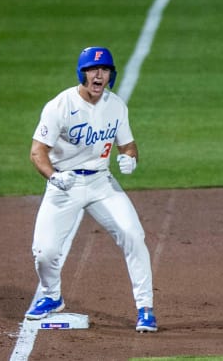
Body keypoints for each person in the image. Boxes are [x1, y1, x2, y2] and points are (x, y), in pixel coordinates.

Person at [25, 46, 158, 332]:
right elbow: (37, 152)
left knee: (133, 234)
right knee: (45, 252)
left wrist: (130, 158)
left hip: (101, 183)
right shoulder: (59, 106)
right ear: (82, 73)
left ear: (111, 74)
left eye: (105, 69)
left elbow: (128, 145)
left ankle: (145, 308)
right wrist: (53, 176)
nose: (99, 75)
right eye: (93, 70)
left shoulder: (116, 105)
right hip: (65, 183)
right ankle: (51, 296)